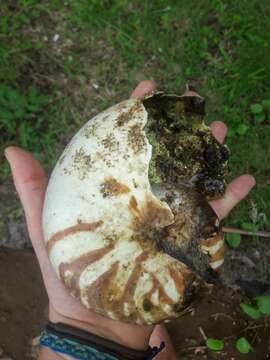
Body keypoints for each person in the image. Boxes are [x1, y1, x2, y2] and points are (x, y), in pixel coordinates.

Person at [4, 80, 256, 360]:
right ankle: (147, 334)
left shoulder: (145, 252)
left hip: (145, 281)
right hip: (148, 280)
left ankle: (143, 335)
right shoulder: (173, 253)